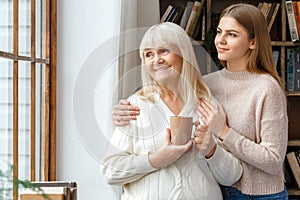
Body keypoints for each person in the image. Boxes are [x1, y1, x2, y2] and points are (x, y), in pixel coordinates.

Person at [112, 3, 289, 200]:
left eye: (232, 34)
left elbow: (273, 160)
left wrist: (223, 132)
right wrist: (122, 110)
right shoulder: (207, 85)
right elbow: (171, 89)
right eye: (220, 32)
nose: (220, 40)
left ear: (253, 42)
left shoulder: (266, 87)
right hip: (224, 189)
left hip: (260, 194)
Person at [101, 22, 242, 200]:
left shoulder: (208, 105)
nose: (156, 60)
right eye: (149, 54)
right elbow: (110, 170)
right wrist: (155, 160)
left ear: (184, 54)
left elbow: (232, 176)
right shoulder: (135, 106)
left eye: (164, 51)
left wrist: (211, 150)